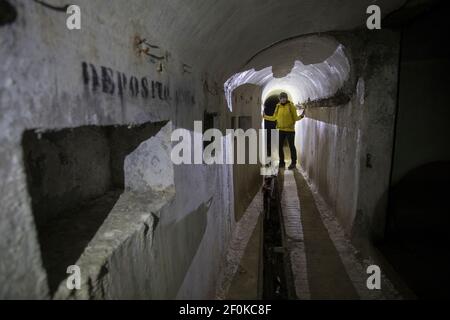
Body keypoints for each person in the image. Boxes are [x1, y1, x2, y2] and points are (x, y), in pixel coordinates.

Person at [263, 92, 305, 170]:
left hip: (290, 130)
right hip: (281, 129)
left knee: (291, 146)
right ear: (279, 99)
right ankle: (282, 162)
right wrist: (265, 116)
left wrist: (301, 116)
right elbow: (274, 117)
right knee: (279, 146)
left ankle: (293, 163)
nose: (283, 99)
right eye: (281, 98)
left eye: (284, 97)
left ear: (286, 98)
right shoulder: (278, 106)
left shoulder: (291, 106)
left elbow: (295, 118)